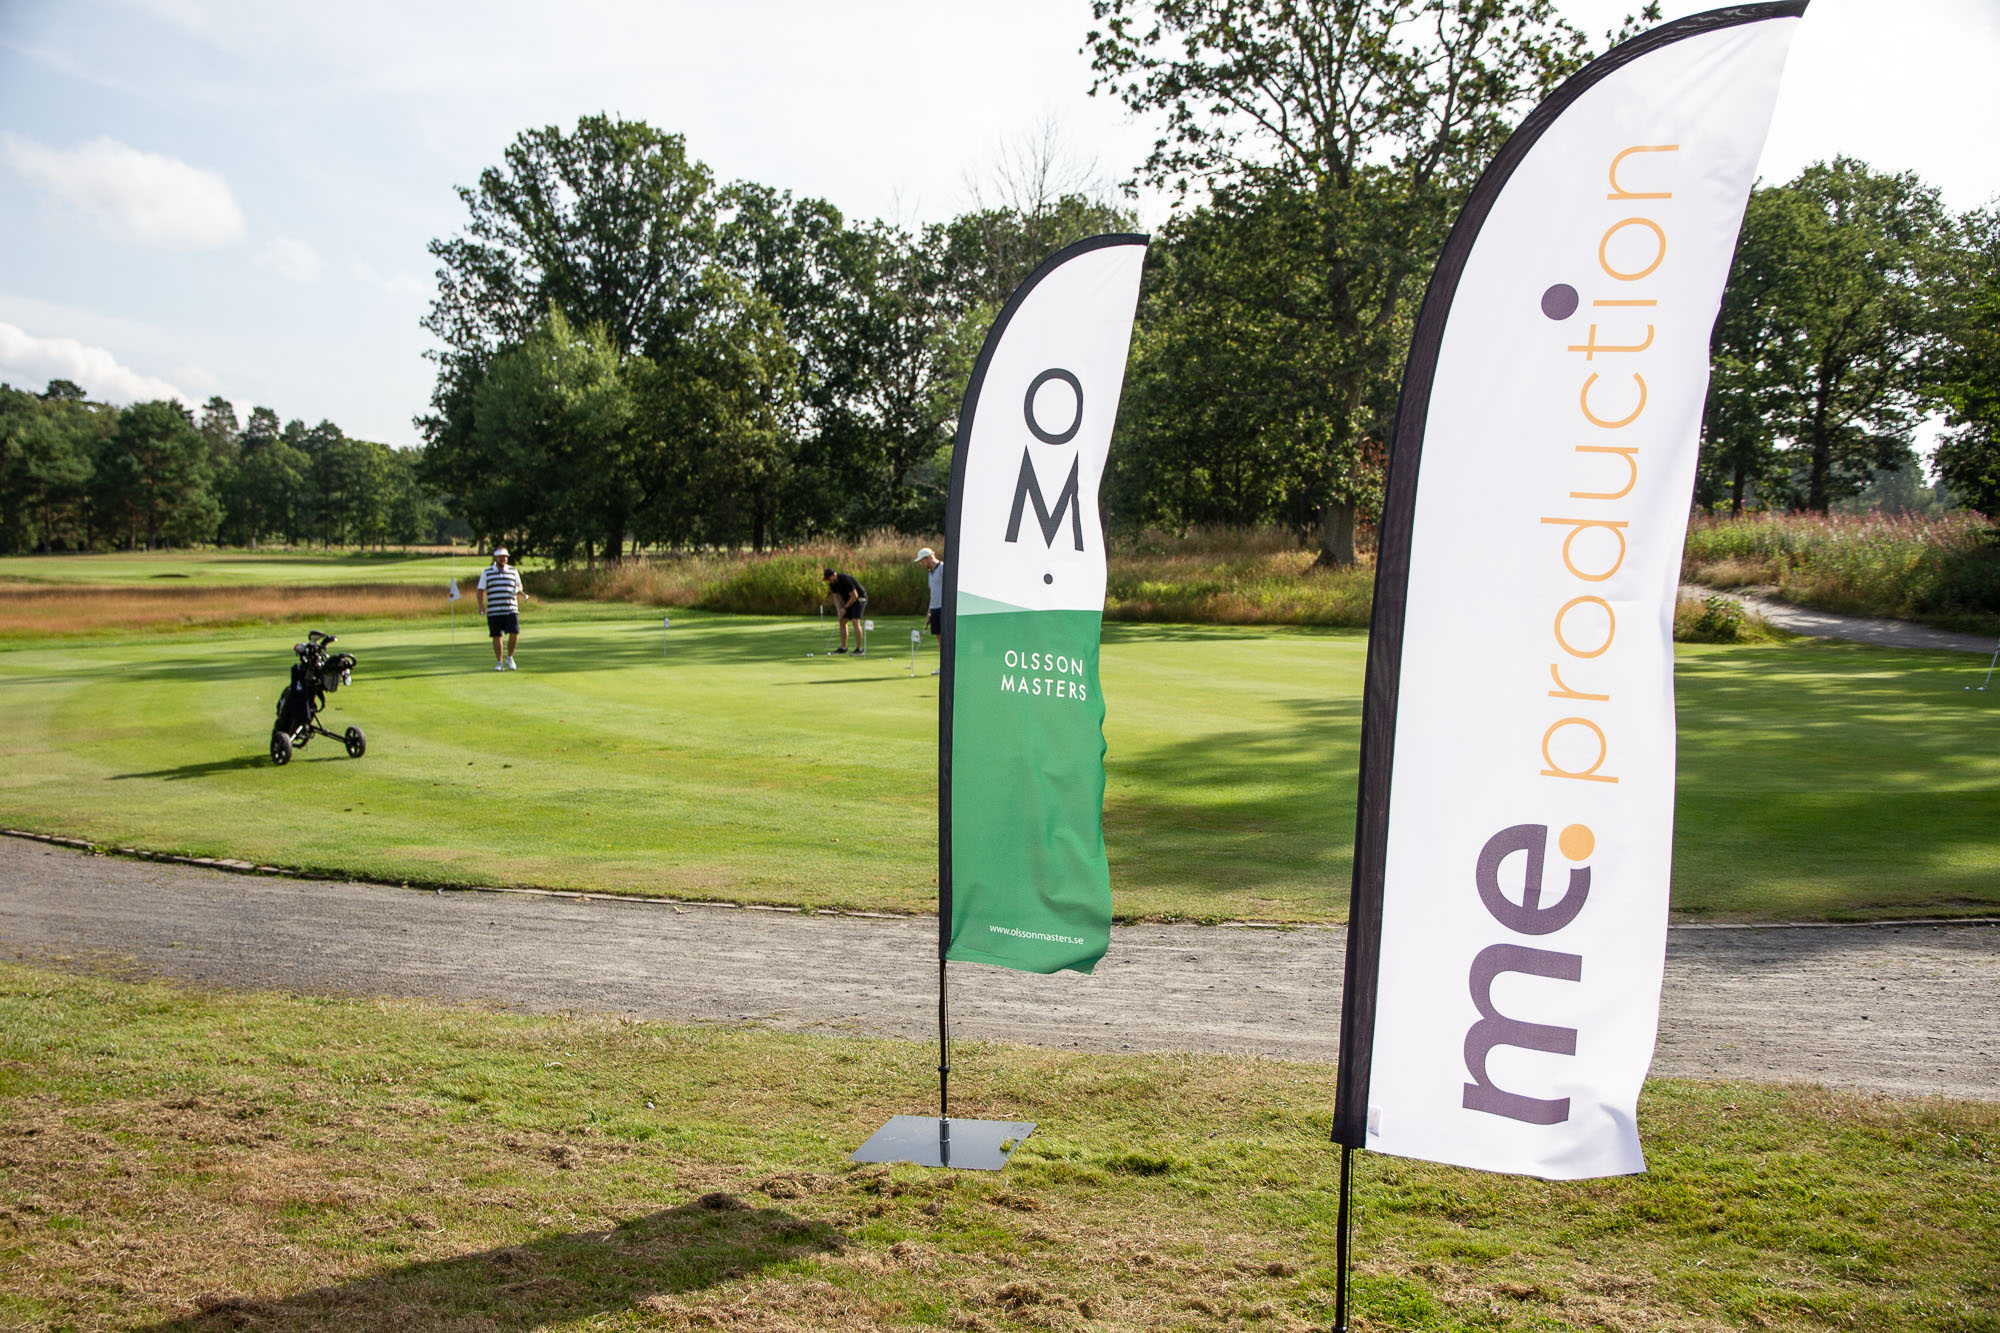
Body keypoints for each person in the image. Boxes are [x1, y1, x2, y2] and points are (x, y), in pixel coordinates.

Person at [476, 546, 527, 670]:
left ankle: (509, 657)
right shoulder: (487, 572)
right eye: (501, 557)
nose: (503, 559)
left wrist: (517, 590)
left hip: (511, 608)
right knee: (496, 636)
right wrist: (481, 606)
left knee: (514, 632)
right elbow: (480, 590)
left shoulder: (513, 571)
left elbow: (519, 586)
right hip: (494, 609)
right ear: (495, 558)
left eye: (505, 557)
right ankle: (499, 662)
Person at [822, 566, 867, 655]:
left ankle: (859, 649)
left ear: (834, 575)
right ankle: (843, 648)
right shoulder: (832, 583)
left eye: (829, 579)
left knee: (855, 621)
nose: (829, 581)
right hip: (849, 600)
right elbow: (835, 598)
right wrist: (839, 610)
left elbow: (855, 596)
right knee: (842, 621)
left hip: (859, 599)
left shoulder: (845, 580)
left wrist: (845, 608)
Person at [915, 546, 943, 674]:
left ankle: (948, 666)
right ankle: (943, 666)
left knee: (946, 638)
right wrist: (929, 612)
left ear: (928, 558)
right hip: (935, 609)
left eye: (921, 561)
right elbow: (933, 594)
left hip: (945, 608)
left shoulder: (943, 568)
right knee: (939, 638)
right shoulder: (930, 573)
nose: (921, 564)